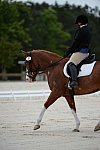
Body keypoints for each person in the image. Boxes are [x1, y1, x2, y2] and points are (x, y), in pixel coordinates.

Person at [65, 15, 91, 89]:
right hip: (85, 51)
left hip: (81, 52)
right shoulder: (87, 30)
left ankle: (74, 81)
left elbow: (76, 42)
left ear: (80, 22)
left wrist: (69, 50)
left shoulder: (81, 30)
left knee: (71, 63)